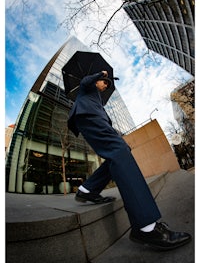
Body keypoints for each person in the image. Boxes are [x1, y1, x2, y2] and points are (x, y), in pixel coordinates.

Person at [67, 70, 191, 250]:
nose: (105, 85)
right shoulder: (87, 87)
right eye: (104, 82)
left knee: (120, 152)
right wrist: (99, 74)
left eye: (107, 84)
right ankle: (146, 227)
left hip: (92, 119)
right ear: (97, 81)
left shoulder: (96, 98)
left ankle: (87, 189)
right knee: (119, 150)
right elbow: (85, 80)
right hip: (87, 117)